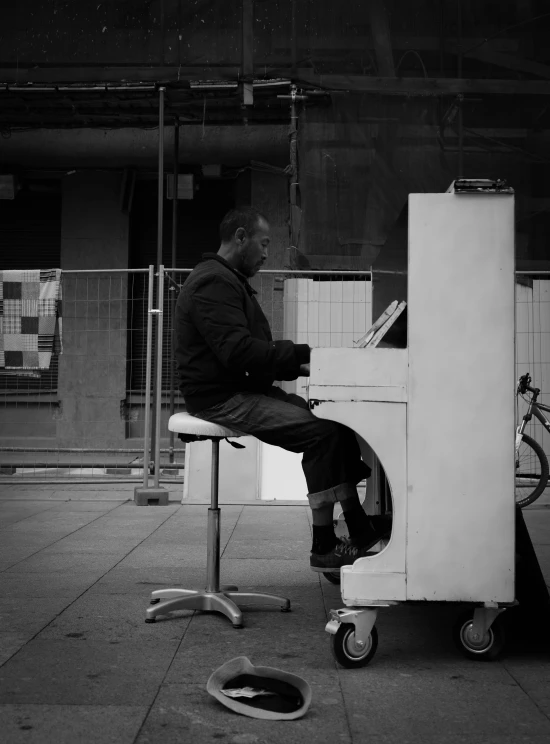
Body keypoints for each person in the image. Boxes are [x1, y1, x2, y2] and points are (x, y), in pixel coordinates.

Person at [175, 207, 390, 571]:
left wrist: (305, 360)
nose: (266, 254)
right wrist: (305, 357)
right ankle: (324, 544)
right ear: (240, 237)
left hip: (242, 389)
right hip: (222, 398)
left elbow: (247, 352)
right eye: (264, 244)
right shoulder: (212, 282)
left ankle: (360, 529)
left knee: (332, 423)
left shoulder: (227, 279)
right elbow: (239, 352)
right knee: (320, 432)